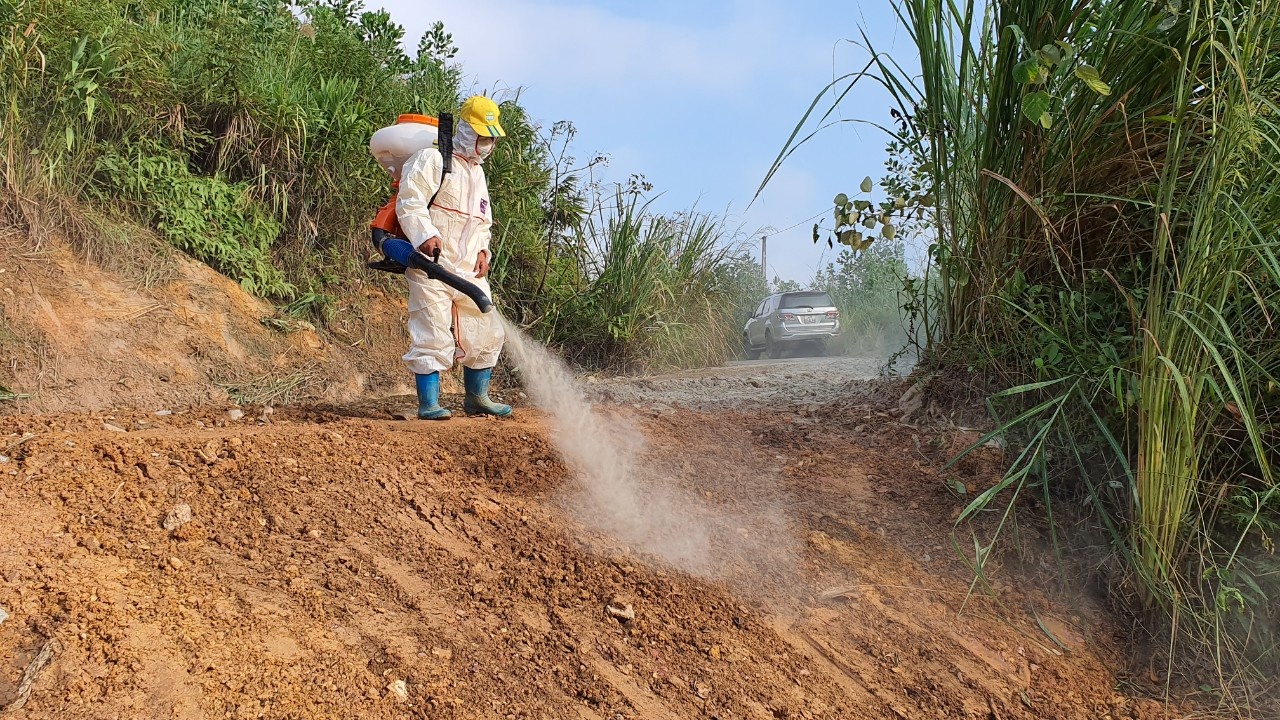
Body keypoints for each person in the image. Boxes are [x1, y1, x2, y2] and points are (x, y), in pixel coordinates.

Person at [395, 96, 512, 420]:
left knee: (488, 330)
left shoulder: (477, 175)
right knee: (431, 331)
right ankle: (429, 404)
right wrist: (425, 235)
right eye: (482, 136)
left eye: (491, 138)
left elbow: (482, 222)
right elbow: (411, 202)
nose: (487, 144)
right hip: (432, 267)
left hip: (468, 272)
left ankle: (477, 399)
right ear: (465, 130)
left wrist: (484, 251)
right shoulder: (432, 159)